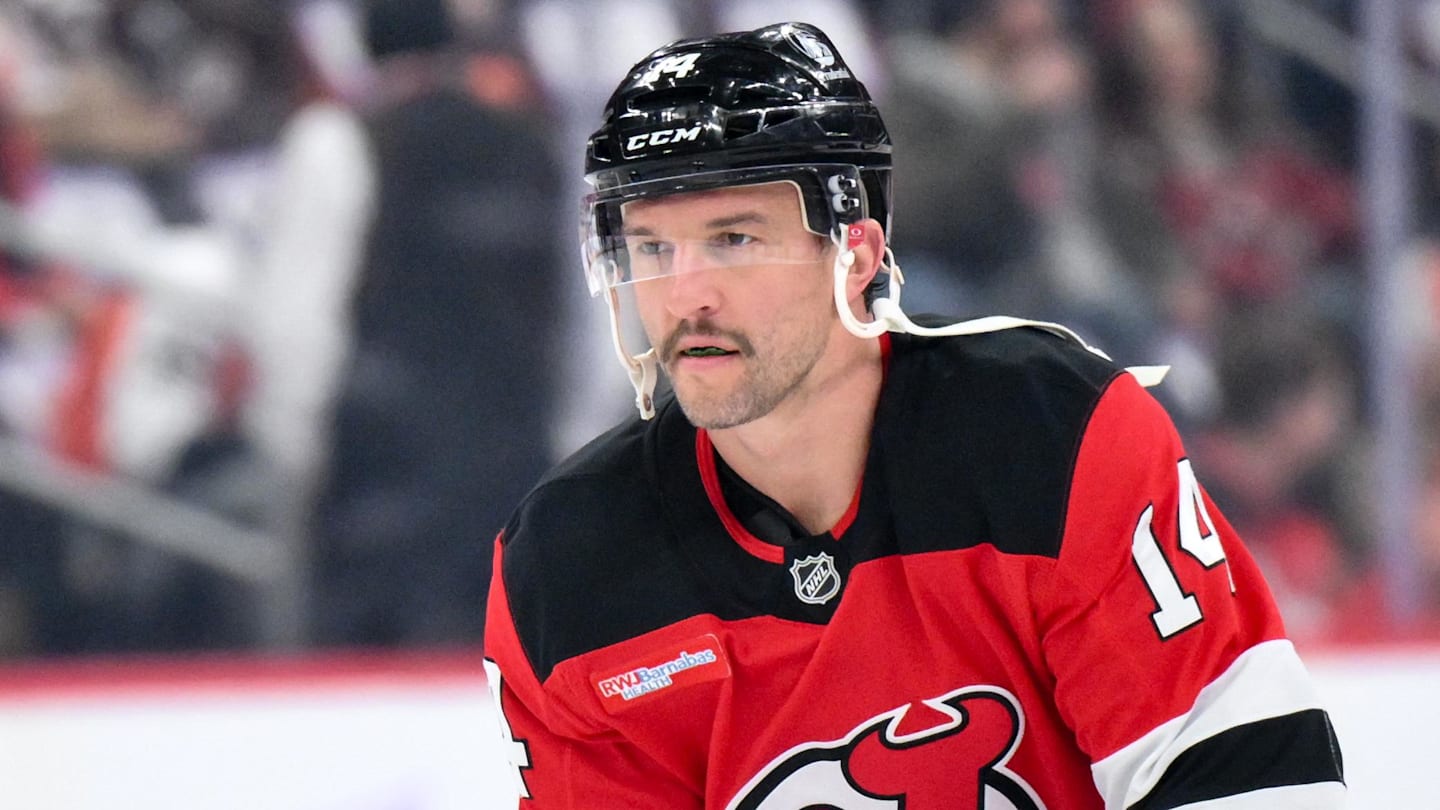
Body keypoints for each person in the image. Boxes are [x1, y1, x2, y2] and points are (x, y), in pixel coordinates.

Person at [482, 21, 1344, 808]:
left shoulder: (1051, 440)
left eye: (733, 239)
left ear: (855, 251)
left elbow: (1253, 786)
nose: (685, 293)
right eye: (652, 247)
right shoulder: (569, 564)